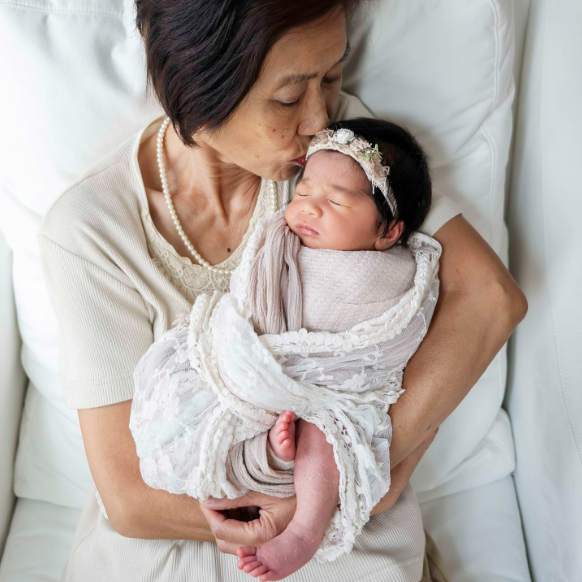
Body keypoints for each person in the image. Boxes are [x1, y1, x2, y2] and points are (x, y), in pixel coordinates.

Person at [37, 1, 528, 581]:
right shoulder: (93, 230)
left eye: (331, 76)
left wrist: (362, 463)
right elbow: (131, 500)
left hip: (345, 547)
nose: (320, 118)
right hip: (172, 544)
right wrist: (318, 503)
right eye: (289, 97)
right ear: (197, 84)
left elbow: (491, 295)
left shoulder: (338, 158)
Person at [128, 118, 441, 582]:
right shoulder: (281, 240)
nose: (308, 209)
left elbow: (386, 342)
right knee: (210, 405)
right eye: (303, 192)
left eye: (334, 201)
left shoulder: (388, 272)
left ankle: (303, 529)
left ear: (389, 233)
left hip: (326, 392)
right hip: (256, 366)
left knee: (326, 433)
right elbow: (250, 298)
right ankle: (256, 463)